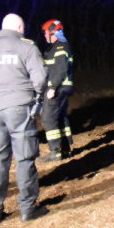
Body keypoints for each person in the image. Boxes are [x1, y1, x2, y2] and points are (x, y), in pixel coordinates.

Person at [0, 13, 48, 223]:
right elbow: (40, 80)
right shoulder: (27, 47)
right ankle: (27, 209)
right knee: (24, 158)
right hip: (20, 108)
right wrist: (34, 95)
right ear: (20, 28)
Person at [39, 19, 75, 162]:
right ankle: (66, 149)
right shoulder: (58, 46)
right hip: (62, 88)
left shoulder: (60, 46)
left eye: (46, 32)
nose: (44, 35)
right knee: (60, 117)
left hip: (58, 88)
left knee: (48, 117)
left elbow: (60, 68)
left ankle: (55, 152)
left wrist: (52, 87)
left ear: (52, 31)